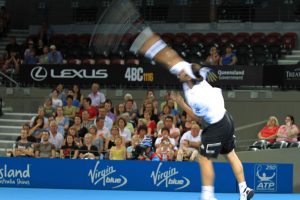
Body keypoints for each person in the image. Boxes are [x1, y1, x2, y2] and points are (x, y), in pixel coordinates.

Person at [132, 29, 253, 200]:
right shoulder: (191, 71)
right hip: (226, 118)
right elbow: (171, 58)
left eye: (183, 74)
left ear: (189, 78)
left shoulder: (197, 98)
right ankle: (244, 190)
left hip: (216, 125)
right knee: (231, 154)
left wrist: (181, 103)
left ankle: (208, 196)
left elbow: (198, 120)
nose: (179, 73)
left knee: (204, 159)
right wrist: (150, 43)